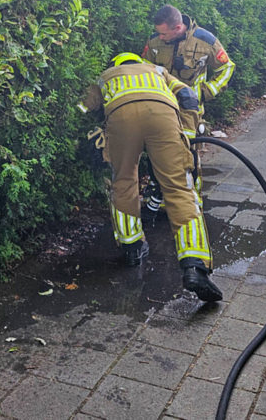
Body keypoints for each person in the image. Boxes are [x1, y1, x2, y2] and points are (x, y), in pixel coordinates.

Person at [78, 53, 223, 302]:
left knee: (123, 181)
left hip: (121, 118)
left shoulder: (104, 77)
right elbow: (188, 95)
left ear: (115, 65)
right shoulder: (157, 70)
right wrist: (188, 135)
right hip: (162, 116)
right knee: (179, 187)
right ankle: (195, 265)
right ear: (138, 62)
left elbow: (81, 107)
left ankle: (132, 248)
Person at [141, 5, 235, 208]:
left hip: (190, 112)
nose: (161, 37)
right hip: (162, 108)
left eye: (164, 33)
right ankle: (157, 199)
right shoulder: (154, 41)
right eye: (159, 33)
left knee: (188, 153)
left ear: (177, 27)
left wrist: (206, 91)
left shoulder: (205, 41)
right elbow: (144, 70)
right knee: (157, 152)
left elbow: (227, 68)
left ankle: (191, 201)